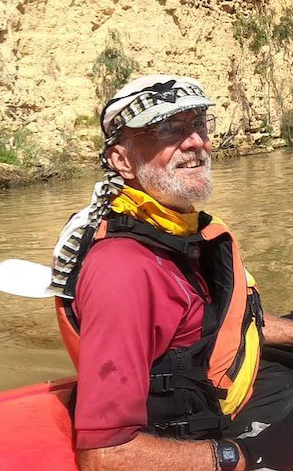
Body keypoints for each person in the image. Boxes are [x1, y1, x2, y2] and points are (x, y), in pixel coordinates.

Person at [49, 74, 293, 471]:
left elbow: (228, 324)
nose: (195, 141)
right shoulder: (123, 271)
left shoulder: (179, 230)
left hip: (235, 387)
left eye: (198, 124)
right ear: (122, 161)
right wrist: (242, 457)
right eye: (168, 130)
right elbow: (106, 456)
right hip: (207, 430)